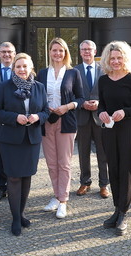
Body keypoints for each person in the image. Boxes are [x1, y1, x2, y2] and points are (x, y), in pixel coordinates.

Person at [0, 53, 49, 236]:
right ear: (13, 69)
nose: (22, 70)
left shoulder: (39, 87)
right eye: (18, 67)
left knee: (27, 177)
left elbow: (46, 110)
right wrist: (15, 117)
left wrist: (38, 116)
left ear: (31, 67)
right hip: (10, 140)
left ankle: (21, 213)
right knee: (14, 178)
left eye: (25, 66)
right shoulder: (4, 87)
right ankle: (15, 218)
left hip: (31, 139)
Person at [98, 41, 131, 236]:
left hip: (128, 129)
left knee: (125, 169)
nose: (116, 61)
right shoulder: (103, 80)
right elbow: (102, 104)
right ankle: (116, 209)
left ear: (125, 58)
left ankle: (124, 213)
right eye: (112, 58)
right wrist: (101, 113)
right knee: (113, 168)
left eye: (119, 57)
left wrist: (124, 112)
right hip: (109, 129)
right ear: (107, 59)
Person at [37, 37, 84, 219]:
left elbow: (80, 99)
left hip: (66, 122)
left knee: (64, 163)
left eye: (61, 50)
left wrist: (67, 106)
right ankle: (56, 196)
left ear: (66, 53)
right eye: (54, 50)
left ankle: (63, 200)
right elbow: (37, 96)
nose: (57, 53)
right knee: (51, 163)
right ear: (49, 52)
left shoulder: (73, 73)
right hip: (47, 121)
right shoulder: (42, 73)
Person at [74, 40, 109, 199]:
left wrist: (100, 103)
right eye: (84, 50)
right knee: (83, 152)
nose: (87, 52)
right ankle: (85, 182)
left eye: (89, 49)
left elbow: (109, 93)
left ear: (95, 51)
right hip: (82, 117)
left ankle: (104, 185)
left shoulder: (104, 70)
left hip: (100, 117)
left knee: (103, 153)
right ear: (80, 52)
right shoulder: (74, 71)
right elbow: (72, 94)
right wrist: (82, 103)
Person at [0, 42, 17, 201]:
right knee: (0, 156)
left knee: (15, 155)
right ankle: (2, 187)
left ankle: (16, 185)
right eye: (3, 52)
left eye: (10, 52)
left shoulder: (21, 70)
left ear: (14, 54)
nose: (7, 55)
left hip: (17, 120)